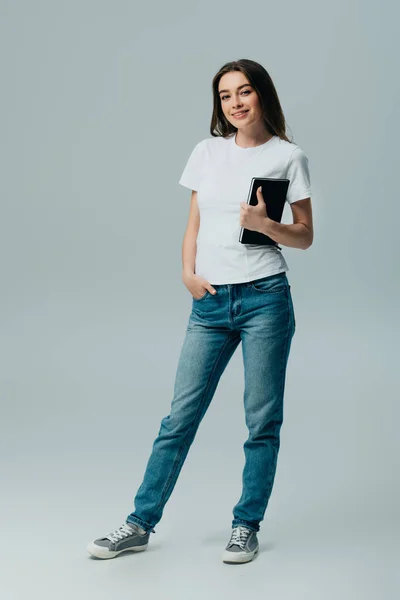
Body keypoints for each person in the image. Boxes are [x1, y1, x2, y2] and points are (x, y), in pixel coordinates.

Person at [87, 58, 313, 564]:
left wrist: (267, 224)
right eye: (226, 95)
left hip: (265, 299)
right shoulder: (206, 152)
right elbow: (193, 223)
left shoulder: (288, 157)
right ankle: (139, 523)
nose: (235, 103)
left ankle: (245, 525)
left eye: (244, 91)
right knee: (179, 418)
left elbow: (305, 235)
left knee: (261, 420)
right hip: (209, 303)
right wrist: (187, 274)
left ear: (262, 96)